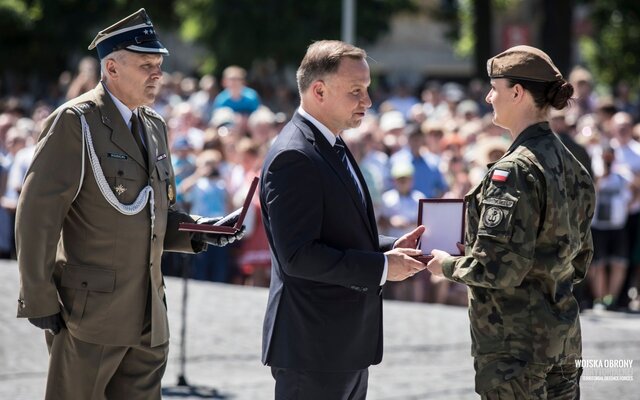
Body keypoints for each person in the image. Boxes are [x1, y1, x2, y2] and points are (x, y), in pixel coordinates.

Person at [15, 9, 243, 400]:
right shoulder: (75, 122)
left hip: (149, 313)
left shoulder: (154, 125)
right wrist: (37, 294)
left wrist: (201, 231)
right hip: (90, 314)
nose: (158, 73)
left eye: (159, 65)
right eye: (146, 64)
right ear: (112, 67)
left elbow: (151, 214)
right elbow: (37, 215)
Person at [260, 40, 427, 400]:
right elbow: (299, 255)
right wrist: (382, 267)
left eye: (366, 89)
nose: (367, 101)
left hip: (339, 344)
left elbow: (337, 232)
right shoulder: (296, 155)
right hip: (314, 347)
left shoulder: (329, 143)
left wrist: (389, 247)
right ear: (318, 90)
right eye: (356, 91)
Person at [427, 45, 595, 399]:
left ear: (517, 92)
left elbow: (499, 270)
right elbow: (579, 261)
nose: (489, 97)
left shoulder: (515, 170)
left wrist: (445, 265)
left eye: (494, 88)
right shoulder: (571, 165)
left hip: (516, 349)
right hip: (561, 336)